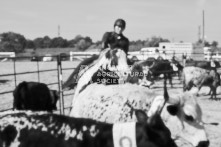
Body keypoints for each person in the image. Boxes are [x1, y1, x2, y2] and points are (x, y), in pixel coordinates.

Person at [63, 18, 130, 90]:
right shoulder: (108, 35)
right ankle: (72, 82)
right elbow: (103, 47)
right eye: (118, 26)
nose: (119, 29)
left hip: (119, 61)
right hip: (105, 57)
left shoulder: (125, 41)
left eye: (121, 27)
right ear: (114, 26)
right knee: (84, 63)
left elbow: (125, 54)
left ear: (123, 28)